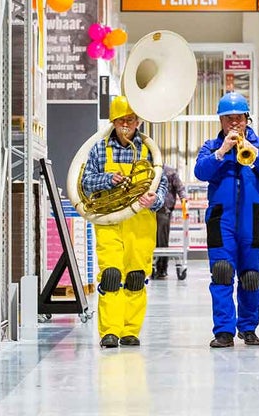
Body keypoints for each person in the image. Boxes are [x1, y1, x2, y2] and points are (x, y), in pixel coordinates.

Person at [194, 92, 259, 348]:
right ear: (221, 121)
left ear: (247, 119)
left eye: (239, 118)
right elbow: (200, 172)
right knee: (221, 273)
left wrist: (252, 151)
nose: (234, 123)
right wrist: (222, 152)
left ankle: (248, 327)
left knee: (251, 275)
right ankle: (223, 331)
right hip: (221, 219)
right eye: (228, 119)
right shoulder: (211, 146)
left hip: (253, 218)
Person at [81, 96, 168, 348]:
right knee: (110, 275)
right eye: (121, 120)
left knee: (136, 277)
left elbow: (159, 182)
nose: (126, 124)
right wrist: (108, 180)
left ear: (138, 121)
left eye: (130, 119)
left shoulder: (149, 150)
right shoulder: (99, 148)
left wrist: (156, 199)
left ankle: (130, 330)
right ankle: (110, 331)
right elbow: (85, 180)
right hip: (109, 218)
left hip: (140, 221)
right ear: (114, 122)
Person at [153, 164, 187, 279]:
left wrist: (184, 201)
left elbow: (180, 188)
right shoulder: (149, 170)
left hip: (163, 209)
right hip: (148, 210)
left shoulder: (170, 172)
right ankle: (152, 267)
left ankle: (161, 269)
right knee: (151, 240)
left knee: (162, 241)